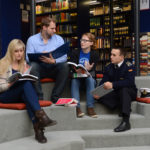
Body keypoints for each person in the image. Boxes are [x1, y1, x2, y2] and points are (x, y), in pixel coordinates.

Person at [0, 39, 57, 143]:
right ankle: (42, 117)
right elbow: (1, 87)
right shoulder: (2, 63)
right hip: (5, 96)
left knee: (27, 87)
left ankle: (38, 128)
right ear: (11, 51)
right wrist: (11, 83)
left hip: (19, 93)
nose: (19, 54)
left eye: (21, 51)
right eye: (16, 51)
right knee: (25, 85)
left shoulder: (23, 64)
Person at [26, 17, 69, 102]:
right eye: (52, 28)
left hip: (53, 67)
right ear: (44, 27)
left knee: (65, 66)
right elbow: (27, 58)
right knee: (33, 66)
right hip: (39, 68)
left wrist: (54, 61)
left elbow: (64, 57)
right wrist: (40, 56)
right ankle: (39, 98)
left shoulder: (59, 39)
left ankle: (55, 97)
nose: (55, 31)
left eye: (55, 28)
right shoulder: (32, 40)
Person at [94, 47, 137, 132]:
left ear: (121, 57)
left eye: (114, 55)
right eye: (111, 54)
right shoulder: (108, 67)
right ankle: (123, 105)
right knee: (98, 96)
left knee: (124, 90)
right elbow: (103, 82)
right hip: (116, 92)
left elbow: (130, 82)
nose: (111, 57)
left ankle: (126, 122)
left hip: (129, 91)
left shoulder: (129, 66)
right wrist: (99, 92)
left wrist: (113, 84)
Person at [69, 32, 99, 118]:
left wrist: (89, 69)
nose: (82, 42)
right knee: (74, 81)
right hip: (77, 77)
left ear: (91, 43)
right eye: (82, 40)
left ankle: (90, 107)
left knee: (90, 80)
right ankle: (77, 108)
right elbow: (72, 66)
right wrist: (75, 69)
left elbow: (93, 71)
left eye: (85, 40)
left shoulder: (95, 54)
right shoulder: (75, 52)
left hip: (88, 78)